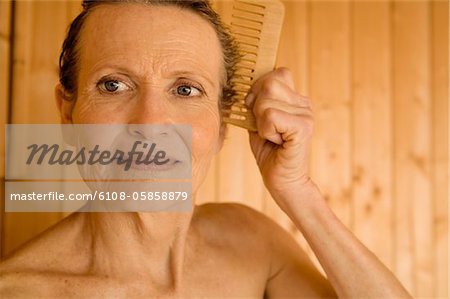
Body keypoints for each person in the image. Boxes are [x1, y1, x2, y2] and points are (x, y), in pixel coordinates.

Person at [0, 0, 411, 297]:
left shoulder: (255, 246)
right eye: (113, 85)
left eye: (185, 89)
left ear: (220, 128)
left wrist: (298, 190)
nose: (150, 124)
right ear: (68, 114)